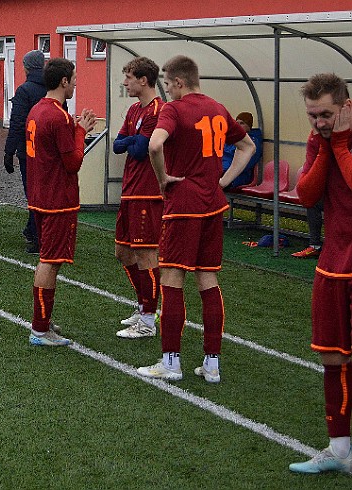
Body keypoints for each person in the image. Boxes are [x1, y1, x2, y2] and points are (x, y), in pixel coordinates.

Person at [136, 55, 255, 382]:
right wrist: (224, 180)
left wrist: (163, 180)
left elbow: (155, 145)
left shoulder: (174, 109)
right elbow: (247, 145)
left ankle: (171, 361)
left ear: (177, 82)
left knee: (172, 279)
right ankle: (212, 364)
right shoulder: (217, 107)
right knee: (208, 279)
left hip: (183, 205)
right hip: (212, 205)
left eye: (168, 83)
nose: (168, 90)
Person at [288, 73, 352, 474]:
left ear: (345, 107)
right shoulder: (320, 141)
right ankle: (338, 449)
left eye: (326, 115)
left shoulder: (343, 139)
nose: (319, 123)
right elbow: (306, 195)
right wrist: (326, 146)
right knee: (332, 356)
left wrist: (340, 143)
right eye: (312, 116)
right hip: (333, 262)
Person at [26, 58, 96, 347]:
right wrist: (81, 131)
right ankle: (40, 329)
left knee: (49, 258)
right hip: (57, 199)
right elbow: (73, 162)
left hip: (41, 194)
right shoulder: (58, 116)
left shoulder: (38, 109)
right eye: (75, 78)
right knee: (50, 261)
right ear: (64, 81)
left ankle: (43, 322)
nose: (77, 82)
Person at [112, 57, 165, 339]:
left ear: (143, 80)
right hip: (129, 190)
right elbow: (118, 146)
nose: (125, 83)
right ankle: (144, 302)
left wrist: (133, 141)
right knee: (123, 252)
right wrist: (133, 141)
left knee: (146, 254)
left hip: (147, 192)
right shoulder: (134, 109)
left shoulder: (158, 111)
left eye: (129, 78)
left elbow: (141, 149)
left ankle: (147, 318)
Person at [4, 50, 47, 255]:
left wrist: (8, 151)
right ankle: (32, 230)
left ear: (26, 67)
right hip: (48, 150)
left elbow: (18, 122)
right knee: (43, 192)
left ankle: (38, 235)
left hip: (29, 150)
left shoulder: (25, 90)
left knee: (33, 193)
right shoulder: (51, 87)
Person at [291, 131, 324, 259]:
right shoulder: (315, 138)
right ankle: (315, 245)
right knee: (313, 203)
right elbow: (309, 167)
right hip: (334, 192)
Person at [222, 111, 263, 188]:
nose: (238, 126)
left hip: (238, 177)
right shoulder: (232, 139)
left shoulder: (252, 143)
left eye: (242, 123)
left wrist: (225, 172)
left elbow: (245, 164)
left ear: (249, 126)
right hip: (224, 172)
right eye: (237, 123)